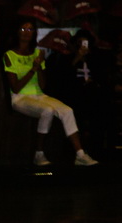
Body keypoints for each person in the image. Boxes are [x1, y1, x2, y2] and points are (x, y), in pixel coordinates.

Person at [5, 18, 97, 167]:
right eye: (23, 29)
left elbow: (42, 85)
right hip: (19, 97)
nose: (26, 32)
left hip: (38, 95)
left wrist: (40, 66)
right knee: (47, 110)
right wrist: (33, 69)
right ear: (17, 32)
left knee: (67, 110)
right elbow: (16, 88)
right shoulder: (10, 55)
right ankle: (39, 154)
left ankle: (80, 154)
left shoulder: (37, 53)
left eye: (30, 29)